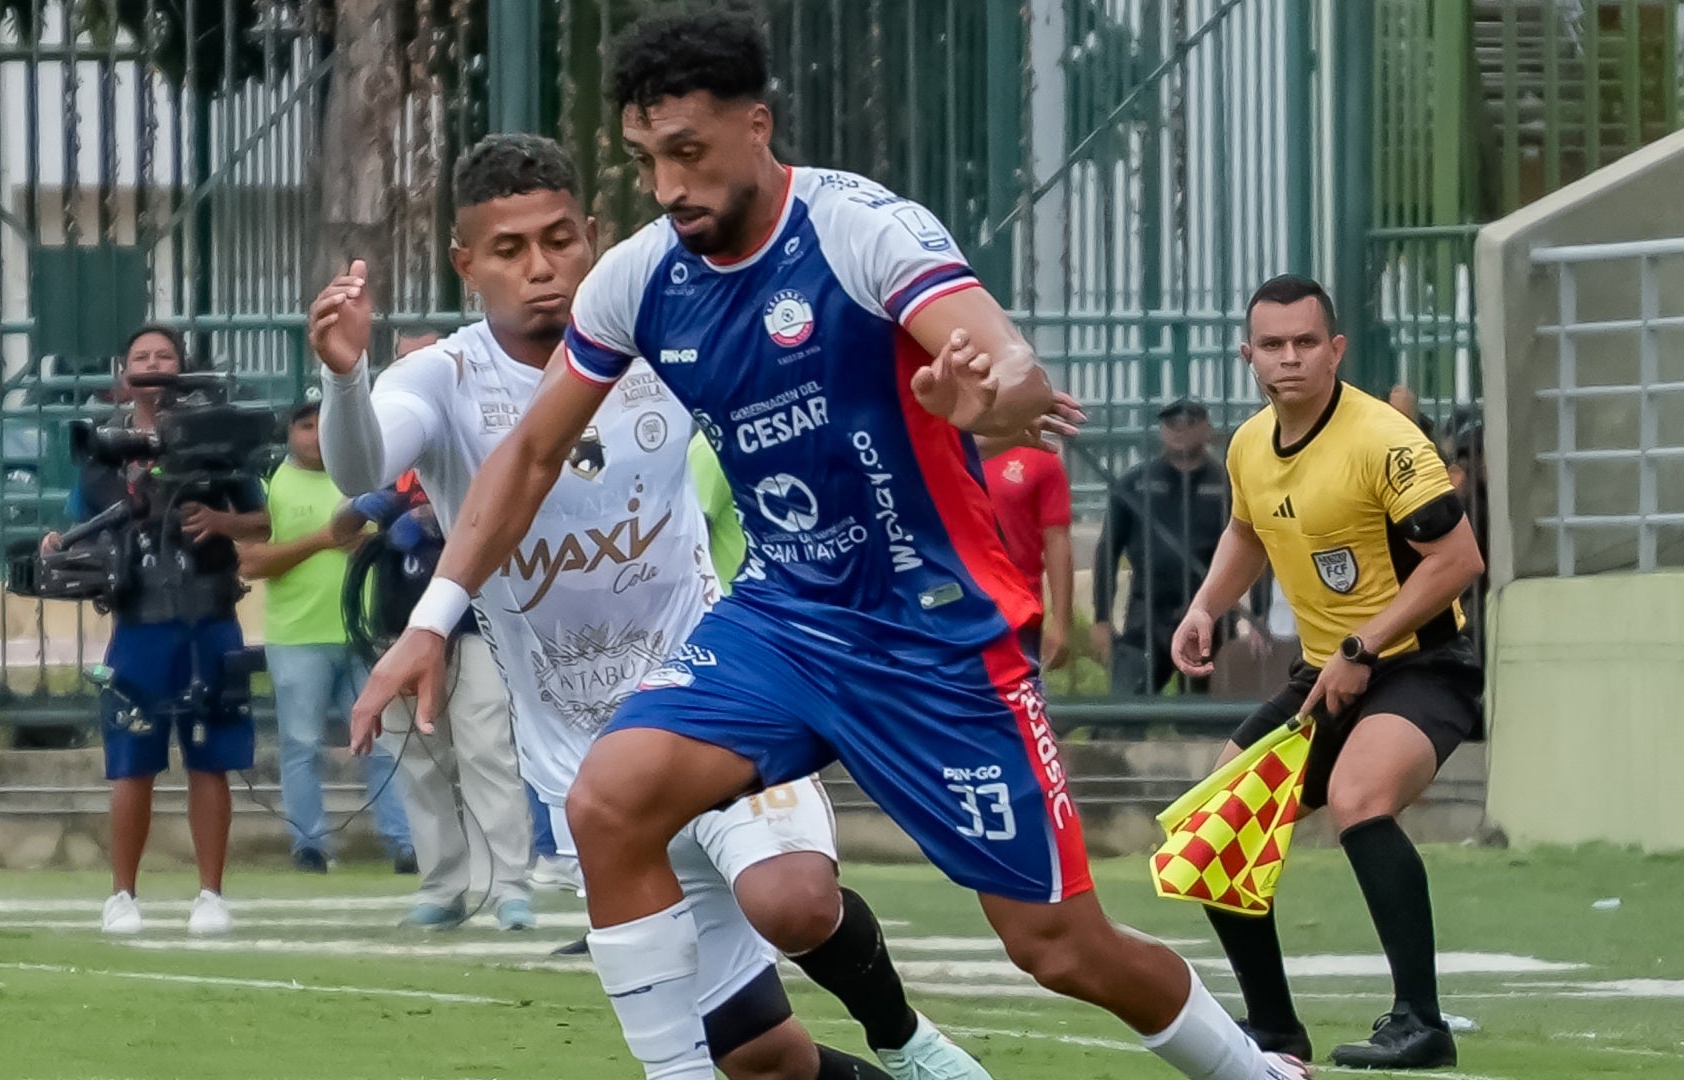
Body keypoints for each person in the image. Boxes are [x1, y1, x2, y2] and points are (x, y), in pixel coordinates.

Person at [353, 15, 1306, 1080]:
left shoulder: (859, 230)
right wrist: (432, 621)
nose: (667, 185)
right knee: (607, 801)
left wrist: (984, 399)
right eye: (647, 158)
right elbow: (528, 456)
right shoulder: (639, 278)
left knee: (1058, 947)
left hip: (935, 636)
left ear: (756, 128)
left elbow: (1010, 371)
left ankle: (1253, 1071)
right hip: (786, 621)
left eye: (689, 152)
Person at [318, 132, 990, 1080]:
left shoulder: (660, 335)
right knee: (764, 1058)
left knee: (792, 901)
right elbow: (360, 465)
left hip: (717, 694)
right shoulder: (447, 377)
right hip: (582, 756)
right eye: (509, 250)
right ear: (464, 263)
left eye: (559, 239)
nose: (542, 269)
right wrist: (346, 376)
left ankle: (910, 1042)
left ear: (594, 236)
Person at [1172, 275, 1485, 1069]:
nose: (1290, 359)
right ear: (1247, 356)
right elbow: (1248, 529)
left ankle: (1422, 1022)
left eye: (1306, 343)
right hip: (1323, 674)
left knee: (1357, 799)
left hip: (1421, 667)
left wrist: (1363, 648)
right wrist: (1205, 606)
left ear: (1335, 349)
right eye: (1272, 345)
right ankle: (1274, 1029)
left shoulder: (1385, 439)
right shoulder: (1248, 445)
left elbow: (1457, 560)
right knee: (1217, 830)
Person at [42, 325, 269, 936]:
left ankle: (211, 894)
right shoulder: (101, 454)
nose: (152, 365)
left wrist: (222, 520)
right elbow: (75, 528)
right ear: (124, 374)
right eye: (140, 356)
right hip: (139, 623)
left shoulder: (217, 441)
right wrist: (58, 545)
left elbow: (261, 523)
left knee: (209, 759)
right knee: (131, 760)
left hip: (209, 617)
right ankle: (123, 894)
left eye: (163, 355)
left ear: (182, 366)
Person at [333, 473, 535, 930]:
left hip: (476, 628)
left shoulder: (469, 457)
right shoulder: (388, 461)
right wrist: (366, 505)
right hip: (397, 629)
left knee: (486, 753)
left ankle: (509, 887)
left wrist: (443, 519)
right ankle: (442, 888)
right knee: (420, 762)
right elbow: (339, 531)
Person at [237, 399, 417, 875]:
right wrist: (324, 538)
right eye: (305, 426)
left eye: (325, 426)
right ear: (289, 433)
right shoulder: (269, 487)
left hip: (366, 632)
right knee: (301, 745)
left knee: (385, 741)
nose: (316, 435)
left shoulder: (371, 479)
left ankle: (403, 842)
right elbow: (250, 562)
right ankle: (309, 844)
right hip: (297, 636)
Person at [1091, 399, 1240, 696]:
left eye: (1190, 424)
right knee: (1125, 714)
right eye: (1172, 425)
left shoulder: (1228, 484)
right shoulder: (1135, 482)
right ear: (1161, 432)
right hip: (1147, 614)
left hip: (1211, 612)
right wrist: (1102, 619)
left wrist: (1261, 616)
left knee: (1207, 723)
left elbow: (1253, 546)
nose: (1180, 432)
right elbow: (1108, 551)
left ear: (1207, 430)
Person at [982, 443, 1074, 670]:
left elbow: (1057, 541)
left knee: (1014, 699)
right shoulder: (947, 448)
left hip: (1017, 612)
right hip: (952, 607)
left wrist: (1061, 623)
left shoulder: (1041, 459)